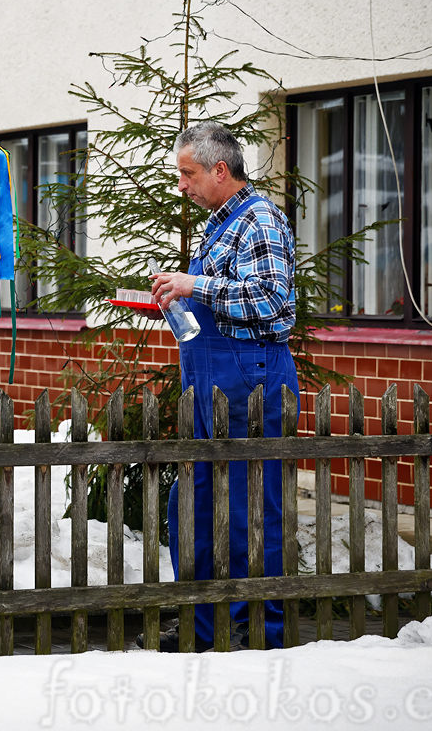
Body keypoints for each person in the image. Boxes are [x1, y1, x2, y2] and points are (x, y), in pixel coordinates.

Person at [143, 120, 298, 652]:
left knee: (252, 506)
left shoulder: (259, 220)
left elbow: (273, 301)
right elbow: (221, 298)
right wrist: (178, 299)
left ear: (220, 170)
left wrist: (195, 284)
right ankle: (202, 627)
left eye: (187, 174)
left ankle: (260, 631)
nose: (181, 185)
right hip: (211, 378)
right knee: (198, 501)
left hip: (249, 378)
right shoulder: (221, 222)